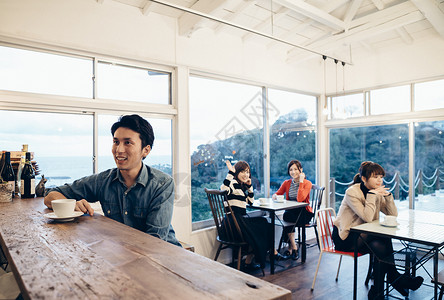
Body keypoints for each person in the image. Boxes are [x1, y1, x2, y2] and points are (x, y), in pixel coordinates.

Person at [44, 114, 181, 247]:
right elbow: (51, 196)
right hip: (124, 253)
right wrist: (71, 205)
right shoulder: (103, 180)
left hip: (165, 256)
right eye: (116, 142)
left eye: (127, 143)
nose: (119, 150)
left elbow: (155, 242)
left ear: (145, 150)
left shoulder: (162, 184)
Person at [332, 161, 423, 299]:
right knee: (382, 240)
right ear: (364, 178)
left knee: (379, 246)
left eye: (381, 177)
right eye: (375, 177)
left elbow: (392, 214)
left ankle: (378, 290)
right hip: (346, 237)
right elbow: (368, 217)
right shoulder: (352, 192)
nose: (379, 180)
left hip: (365, 236)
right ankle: (394, 278)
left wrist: (387, 196)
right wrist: (373, 195)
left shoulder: (377, 192)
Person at [220, 160, 272, 271]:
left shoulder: (240, 187)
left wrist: (249, 187)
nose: (246, 174)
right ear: (237, 172)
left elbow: (250, 202)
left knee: (263, 223)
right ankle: (251, 260)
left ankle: (249, 260)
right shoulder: (233, 183)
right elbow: (223, 189)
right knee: (263, 224)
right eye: (243, 171)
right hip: (234, 224)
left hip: (236, 223)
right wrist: (230, 173)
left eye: (248, 172)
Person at [272, 160, 313, 260]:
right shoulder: (287, 183)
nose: (293, 172)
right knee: (287, 216)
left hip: (305, 213)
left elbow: (300, 199)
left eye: (295, 169)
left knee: (288, 217)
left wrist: (301, 182)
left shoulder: (307, 183)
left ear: (300, 170)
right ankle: (293, 248)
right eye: (291, 170)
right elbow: (277, 194)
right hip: (292, 212)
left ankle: (291, 248)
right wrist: (275, 196)